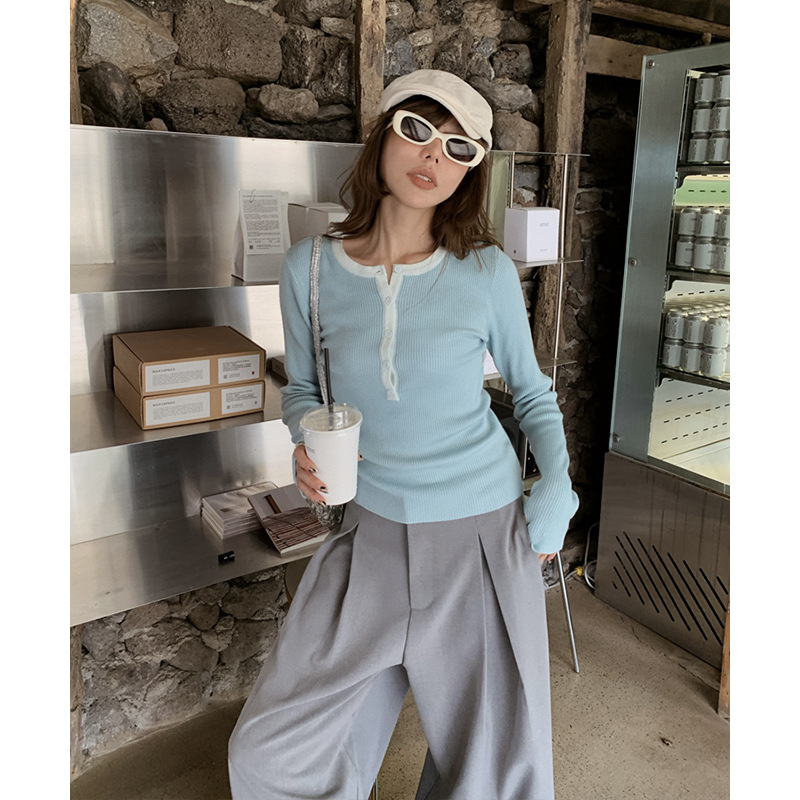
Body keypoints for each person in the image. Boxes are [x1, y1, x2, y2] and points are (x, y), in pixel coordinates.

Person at [228, 69, 579, 800]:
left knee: (496, 769)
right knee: (271, 751)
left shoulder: (485, 270)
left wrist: (558, 486)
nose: (432, 156)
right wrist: (303, 443)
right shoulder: (309, 268)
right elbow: (303, 390)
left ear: (471, 172)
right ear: (382, 137)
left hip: (483, 534)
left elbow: (532, 391)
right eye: (417, 130)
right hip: (369, 531)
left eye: (459, 148)